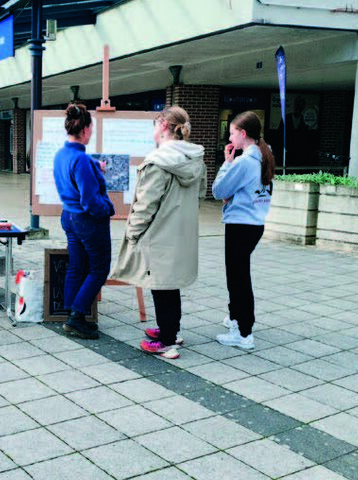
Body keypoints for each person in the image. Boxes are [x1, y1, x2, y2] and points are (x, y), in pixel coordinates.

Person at [111, 107, 205, 355]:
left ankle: (167, 341)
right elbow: (200, 196)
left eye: (155, 125)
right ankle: (171, 330)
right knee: (169, 284)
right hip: (181, 232)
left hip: (158, 233)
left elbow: (145, 205)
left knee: (160, 284)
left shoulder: (158, 162)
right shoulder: (195, 159)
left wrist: (132, 233)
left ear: (163, 125)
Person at [212, 111, 275, 349]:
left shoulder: (245, 161)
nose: (229, 138)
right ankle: (237, 319)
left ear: (243, 133)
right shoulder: (264, 156)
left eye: (231, 133)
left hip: (240, 224)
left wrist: (226, 165)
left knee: (237, 278)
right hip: (255, 223)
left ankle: (244, 331)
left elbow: (218, 191)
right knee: (240, 275)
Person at [53, 103, 115, 339]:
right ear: (86, 130)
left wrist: (93, 166)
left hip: (68, 216)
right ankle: (77, 318)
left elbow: (76, 170)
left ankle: (71, 313)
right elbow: (91, 202)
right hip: (87, 220)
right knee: (99, 269)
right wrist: (108, 208)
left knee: (77, 266)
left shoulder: (63, 154)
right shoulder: (80, 160)